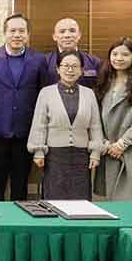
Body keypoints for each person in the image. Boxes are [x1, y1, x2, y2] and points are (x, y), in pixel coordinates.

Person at [0, 13, 49, 201]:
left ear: (28, 34)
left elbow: (44, 96)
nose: (17, 35)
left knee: (20, 186)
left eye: (22, 31)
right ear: (5, 33)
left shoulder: (39, 60)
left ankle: (19, 218)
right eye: (12, 31)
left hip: (26, 132)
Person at [27, 50, 104, 200]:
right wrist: (38, 151)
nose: (70, 70)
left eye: (75, 66)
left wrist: (96, 153)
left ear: (81, 70)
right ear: (57, 69)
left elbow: (95, 126)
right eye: (66, 66)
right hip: (55, 156)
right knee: (54, 198)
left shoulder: (89, 93)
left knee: (80, 199)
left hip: (81, 156)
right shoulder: (46, 93)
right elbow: (39, 125)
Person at [93, 37, 132, 201]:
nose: (119, 58)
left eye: (125, 54)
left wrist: (122, 144)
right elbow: (95, 116)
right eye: (115, 54)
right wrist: (106, 144)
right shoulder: (104, 81)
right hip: (109, 150)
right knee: (112, 201)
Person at [45, 18, 102, 88]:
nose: (67, 35)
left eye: (72, 31)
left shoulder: (95, 62)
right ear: (54, 36)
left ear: (79, 35)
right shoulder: (44, 62)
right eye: (62, 32)